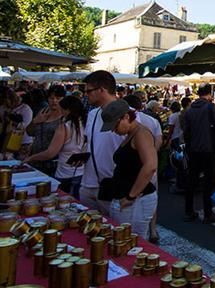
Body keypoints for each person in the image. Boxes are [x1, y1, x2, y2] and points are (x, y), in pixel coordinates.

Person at [100, 99, 158, 240]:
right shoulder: (133, 134)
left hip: (136, 201)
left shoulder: (141, 134)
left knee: (131, 241)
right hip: (130, 198)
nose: (114, 130)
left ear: (126, 117)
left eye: (115, 125)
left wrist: (131, 196)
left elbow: (150, 166)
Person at [183, 83, 215, 224]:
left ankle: (188, 211)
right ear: (209, 94)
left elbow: (186, 130)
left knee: (191, 180)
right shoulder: (210, 107)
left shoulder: (190, 109)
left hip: (193, 149)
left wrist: (189, 145)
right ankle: (208, 213)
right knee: (208, 182)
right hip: (208, 148)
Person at [24, 95, 86, 197]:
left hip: (64, 174)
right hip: (80, 173)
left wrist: (31, 158)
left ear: (67, 110)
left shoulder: (64, 127)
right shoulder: (84, 124)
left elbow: (50, 153)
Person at [79, 71, 122, 214]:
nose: (86, 94)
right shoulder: (92, 114)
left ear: (102, 90)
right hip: (88, 183)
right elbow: (91, 142)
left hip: (112, 187)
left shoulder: (128, 115)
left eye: (88, 91)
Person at [25, 85, 66, 176]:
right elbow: (29, 132)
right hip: (35, 161)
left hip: (53, 164)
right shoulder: (43, 112)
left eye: (58, 98)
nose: (54, 101)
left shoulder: (65, 117)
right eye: (51, 98)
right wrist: (35, 121)